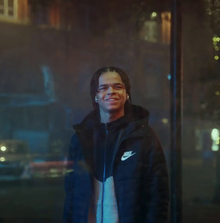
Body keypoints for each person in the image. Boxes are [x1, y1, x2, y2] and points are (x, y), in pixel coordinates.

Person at [63, 66, 169, 223]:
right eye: (103, 88)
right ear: (96, 96)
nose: (111, 91)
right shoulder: (80, 140)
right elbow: (71, 195)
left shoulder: (144, 137)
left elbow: (158, 197)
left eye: (118, 87)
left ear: (126, 95)